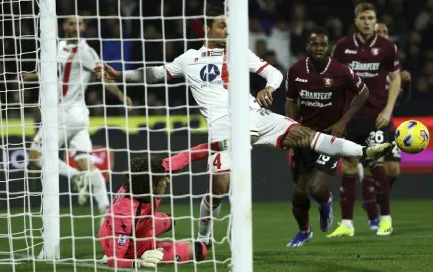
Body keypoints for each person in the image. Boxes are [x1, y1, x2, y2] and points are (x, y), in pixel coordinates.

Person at [94, 6, 394, 247]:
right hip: (222, 125)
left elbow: (274, 73)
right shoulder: (189, 59)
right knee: (219, 188)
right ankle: (204, 236)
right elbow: (155, 74)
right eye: (222, 26)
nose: (228, 30)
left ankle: (364, 151)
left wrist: (268, 89)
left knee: (306, 135)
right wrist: (119, 75)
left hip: (255, 115)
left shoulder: (240, 52)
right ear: (208, 29)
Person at [23, 17, 132, 214]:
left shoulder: (85, 51)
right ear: (64, 26)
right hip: (76, 117)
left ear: (83, 28)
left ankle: (75, 177)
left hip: (66, 114)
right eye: (71, 24)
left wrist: (120, 95)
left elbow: (103, 77)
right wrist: (30, 76)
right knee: (85, 163)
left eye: (79, 24)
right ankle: (106, 210)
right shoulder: (60, 46)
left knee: (36, 155)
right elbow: (53, 74)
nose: (74, 27)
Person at [285, 27, 369, 247]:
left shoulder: (341, 71)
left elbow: (363, 92)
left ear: (329, 47)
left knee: (316, 188)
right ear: (307, 46)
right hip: (304, 136)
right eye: (315, 44)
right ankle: (304, 231)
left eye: (323, 44)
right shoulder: (295, 71)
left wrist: (343, 121)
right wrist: (290, 127)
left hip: (331, 137)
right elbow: (291, 100)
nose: (319, 48)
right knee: (299, 194)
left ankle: (326, 202)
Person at [328, 2, 401, 237]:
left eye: (371, 18)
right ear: (356, 20)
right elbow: (336, 79)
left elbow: (396, 79)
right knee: (348, 165)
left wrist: (388, 111)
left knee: (377, 167)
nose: (367, 22)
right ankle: (347, 224)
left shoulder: (387, 46)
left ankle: (385, 219)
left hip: (376, 117)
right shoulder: (343, 47)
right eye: (363, 18)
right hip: (351, 117)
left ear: (375, 20)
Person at [98, 156, 208, 268]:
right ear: (152, 186)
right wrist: (138, 262)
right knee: (200, 250)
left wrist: (214, 147)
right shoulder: (126, 216)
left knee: (170, 220)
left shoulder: (143, 178)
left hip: (132, 229)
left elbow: (188, 155)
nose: (167, 180)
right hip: (132, 247)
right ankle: (139, 255)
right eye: (163, 179)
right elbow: (113, 262)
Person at [359, 22, 412, 226]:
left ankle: (374, 195)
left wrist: (405, 84)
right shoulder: (365, 62)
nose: (382, 34)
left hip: (388, 122)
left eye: (385, 31)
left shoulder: (392, 64)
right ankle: (372, 209)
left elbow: (401, 100)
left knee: (394, 171)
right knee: (374, 168)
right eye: (378, 31)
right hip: (367, 121)